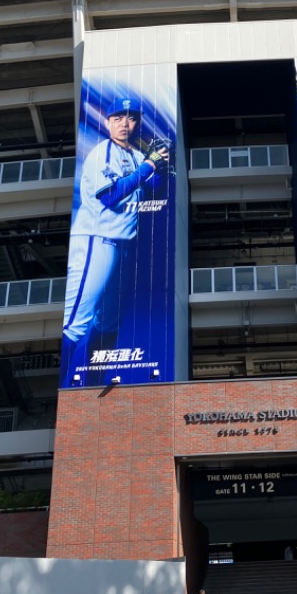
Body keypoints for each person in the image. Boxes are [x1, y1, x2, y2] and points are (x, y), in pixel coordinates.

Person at [61, 96, 169, 382]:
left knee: (108, 322)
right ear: (108, 122)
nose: (125, 124)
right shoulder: (102, 152)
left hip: (123, 247)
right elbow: (110, 197)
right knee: (75, 324)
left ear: (137, 123)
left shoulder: (135, 156)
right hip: (96, 241)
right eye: (118, 118)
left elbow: (152, 190)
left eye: (131, 118)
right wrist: (148, 166)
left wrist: (161, 166)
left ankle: (91, 388)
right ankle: (63, 390)